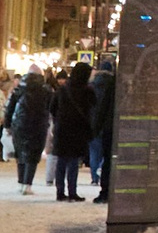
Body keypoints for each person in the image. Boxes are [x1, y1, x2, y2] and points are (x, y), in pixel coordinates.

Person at [49, 63, 97, 201]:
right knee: (73, 163)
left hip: (62, 130)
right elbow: (93, 109)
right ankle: (72, 192)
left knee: (61, 162)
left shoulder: (63, 90)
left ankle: (60, 192)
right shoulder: (88, 91)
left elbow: (52, 107)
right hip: (79, 130)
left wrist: (59, 119)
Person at [7, 70, 52, 191]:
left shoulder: (19, 90)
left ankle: (21, 182)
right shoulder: (46, 92)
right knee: (33, 154)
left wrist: (7, 125)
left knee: (20, 153)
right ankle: (28, 184)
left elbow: (10, 108)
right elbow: (51, 108)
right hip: (39, 125)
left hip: (20, 125)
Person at [88, 62, 116, 200]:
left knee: (97, 153)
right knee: (110, 159)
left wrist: (95, 126)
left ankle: (96, 179)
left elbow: (100, 108)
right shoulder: (114, 83)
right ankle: (108, 189)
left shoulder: (92, 85)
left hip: (101, 125)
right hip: (113, 126)